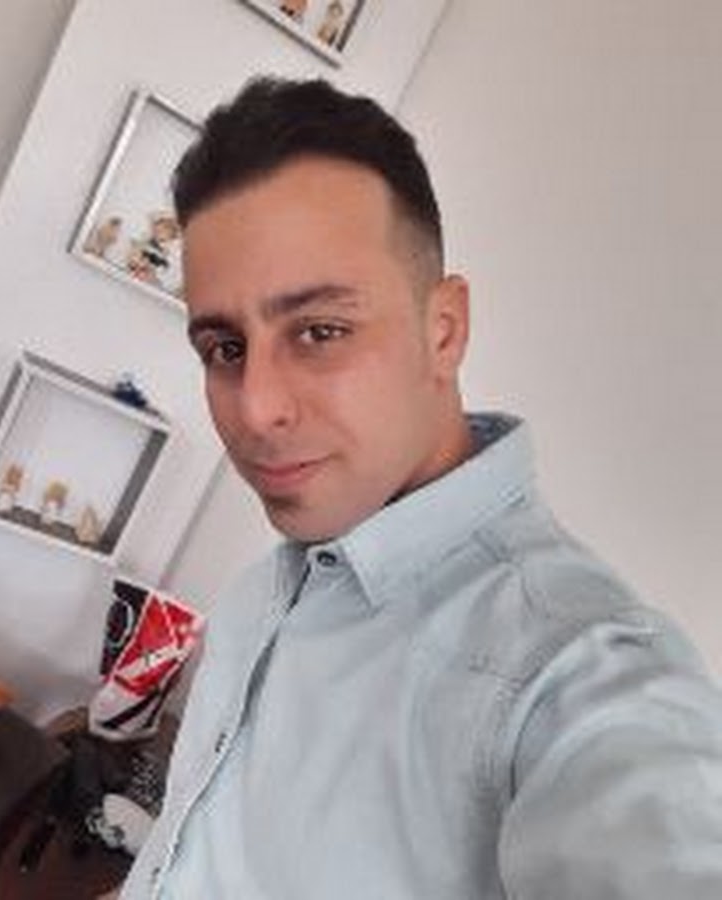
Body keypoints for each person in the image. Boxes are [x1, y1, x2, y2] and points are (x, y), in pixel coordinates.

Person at [120, 77, 722, 899]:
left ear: (444, 331)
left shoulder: (575, 673)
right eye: (225, 348)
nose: (256, 409)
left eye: (320, 331)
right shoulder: (265, 593)